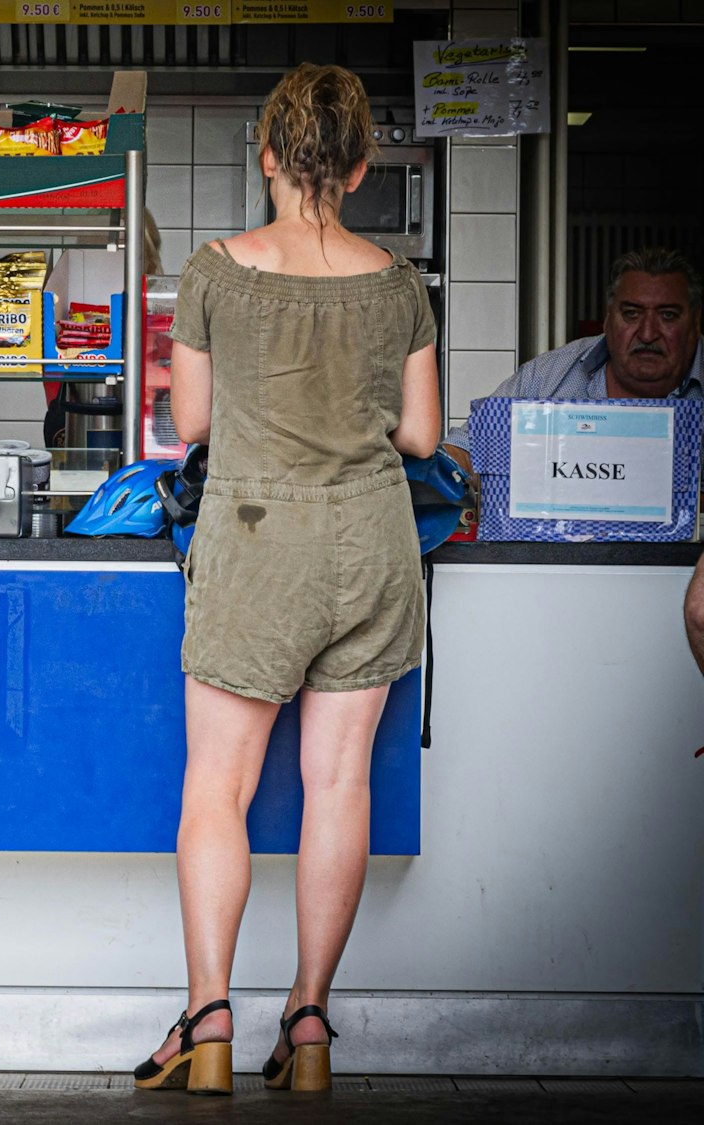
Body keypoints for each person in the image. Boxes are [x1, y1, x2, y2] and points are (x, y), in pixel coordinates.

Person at [136, 64, 442, 1095]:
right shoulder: (398, 284)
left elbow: (186, 426)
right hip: (369, 545)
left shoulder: (216, 273)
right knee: (337, 785)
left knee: (215, 786)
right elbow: (421, 434)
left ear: (264, 155)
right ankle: (308, 1023)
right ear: (357, 167)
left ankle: (209, 1019)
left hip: (255, 541)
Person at [444, 248, 701, 473]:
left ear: (695, 321)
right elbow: (462, 454)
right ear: (608, 318)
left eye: (667, 316)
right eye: (631, 314)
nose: (647, 333)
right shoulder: (548, 377)